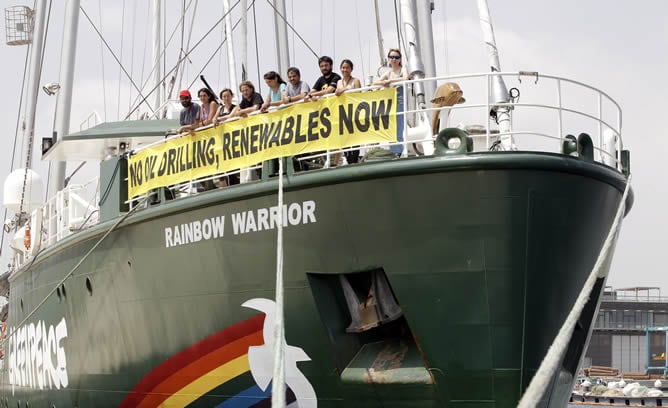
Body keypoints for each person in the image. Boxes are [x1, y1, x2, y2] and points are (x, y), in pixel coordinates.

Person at [374, 48, 408, 156]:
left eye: (396, 57)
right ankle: (395, 151)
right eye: (391, 57)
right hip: (390, 103)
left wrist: (390, 81)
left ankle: (399, 152)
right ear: (388, 59)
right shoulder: (388, 73)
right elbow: (375, 82)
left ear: (400, 59)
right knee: (391, 127)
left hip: (400, 102)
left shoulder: (402, 70)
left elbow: (406, 78)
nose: (394, 59)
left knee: (399, 126)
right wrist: (384, 82)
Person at [334, 59, 362, 165]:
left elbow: (359, 94)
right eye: (343, 67)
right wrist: (346, 88)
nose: (345, 70)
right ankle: (348, 159)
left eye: (347, 68)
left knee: (355, 138)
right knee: (345, 138)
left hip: (354, 112)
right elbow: (337, 92)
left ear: (351, 69)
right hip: (343, 113)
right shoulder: (339, 82)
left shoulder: (356, 81)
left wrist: (345, 89)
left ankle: (354, 160)